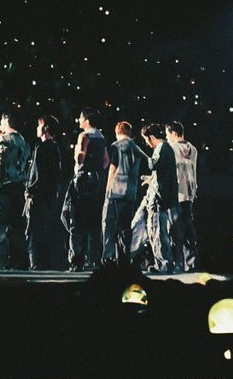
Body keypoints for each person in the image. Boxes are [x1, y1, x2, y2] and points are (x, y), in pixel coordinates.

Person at [62, 108, 109, 272]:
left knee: (76, 221)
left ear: (87, 120)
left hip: (82, 182)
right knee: (93, 222)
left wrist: (77, 150)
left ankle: (76, 261)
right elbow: (106, 161)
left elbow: (80, 157)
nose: (79, 120)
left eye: (81, 117)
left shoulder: (84, 136)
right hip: (96, 181)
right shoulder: (101, 137)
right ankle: (94, 259)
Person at [0, 112, 31, 269]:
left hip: (3, 187)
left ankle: (1, 260)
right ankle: (19, 261)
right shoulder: (22, 140)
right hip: (18, 186)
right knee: (16, 226)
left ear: (6, 121)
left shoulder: (3, 140)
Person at [139, 123, 184, 273]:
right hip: (163, 198)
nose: (146, 143)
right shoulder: (167, 149)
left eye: (146, 139)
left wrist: (140, 153)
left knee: (157, 231)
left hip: (159, 198)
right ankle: (163, 263)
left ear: (151, 137)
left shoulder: (161, 148)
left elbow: (153, 164)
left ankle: (163, 264)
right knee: (158, 231)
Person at [102, 121, 143, 267]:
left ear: (117, 132)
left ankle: (110, 258)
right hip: (130, 192)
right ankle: (124, 259)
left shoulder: (117, 146)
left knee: (111, 226)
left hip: (116, 190)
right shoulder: (136, 148)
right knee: (125, 227)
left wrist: (108, 188)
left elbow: (113, 168)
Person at [24, 115, 62, 270]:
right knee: (46, 228)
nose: (37, 128)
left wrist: (30, 189)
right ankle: (47, 262)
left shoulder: (41, 148)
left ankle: (35, 263)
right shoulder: (56, 147)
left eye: (39, 125)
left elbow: (37, 173)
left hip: (38, 195)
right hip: (50, 194)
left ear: (45, 128)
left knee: (34, 230)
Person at [166, 121, 199, 270]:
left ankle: (178, 262)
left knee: (175, 229)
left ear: (173, 133)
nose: (167, 138)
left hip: (176, 193)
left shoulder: (171, 149)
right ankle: (190, 263)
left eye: (167, 134)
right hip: (189, 193)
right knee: (188, 229)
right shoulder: (193, 149)